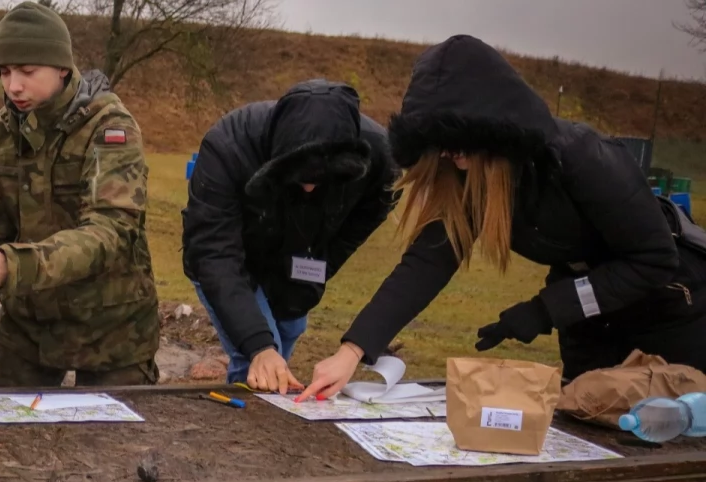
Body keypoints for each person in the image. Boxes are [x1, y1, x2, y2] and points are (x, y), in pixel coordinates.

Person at [302, 34, 706, 400]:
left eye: (458, 143)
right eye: (440, 146)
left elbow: (653, 259)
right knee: (587, 431)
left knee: (674, 450)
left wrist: (546, 308)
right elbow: (427, 263)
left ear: (492, 127)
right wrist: (352, 350)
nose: (450, 156)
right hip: (590, 324)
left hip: (669, 308)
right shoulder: (469, 180)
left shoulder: (583, 158)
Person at [0, 1, 161, 387]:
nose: (13, 86)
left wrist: (12, 266)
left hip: (114, 330)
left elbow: (109, 231)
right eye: (4, 72)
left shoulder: (108, 129)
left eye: (27, 71)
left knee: (116, 446)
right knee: (0, 437)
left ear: (61, 67)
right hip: (29, 330)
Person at [181, 80, 397, 394]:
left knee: (288, 331)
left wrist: (319, 263)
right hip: (229, 260)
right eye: (300, 179)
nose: (309, 189)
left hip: (297, 256)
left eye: (320, 181)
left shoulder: (377, 156)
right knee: (260, 351)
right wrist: (258, 346)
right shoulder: (228, 146)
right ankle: (244, 433)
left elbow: (365, 218)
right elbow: (213, 252)